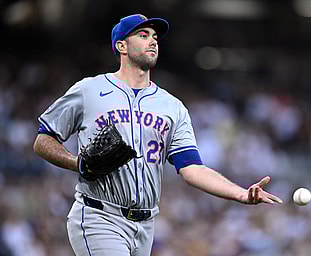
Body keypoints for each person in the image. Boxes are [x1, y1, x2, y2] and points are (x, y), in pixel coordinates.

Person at [33, 14, 283, 256]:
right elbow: (43, 140)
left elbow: (192, 169)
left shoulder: (172, 106)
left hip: (145, 226)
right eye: (143, 35)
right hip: (100, 215)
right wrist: (77, 163)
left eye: (155, 36)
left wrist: (239, 193)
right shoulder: (89, 90)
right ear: (121, 45)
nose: (153, 40)